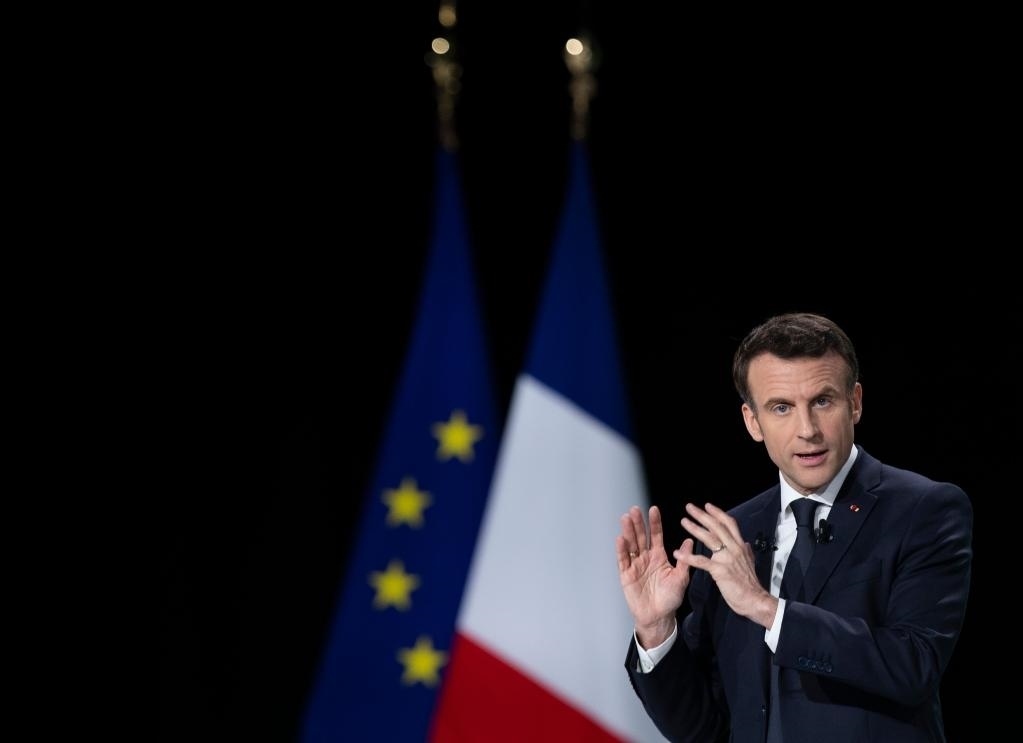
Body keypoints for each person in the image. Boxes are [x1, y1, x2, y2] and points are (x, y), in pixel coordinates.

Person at [615, 312, 972, 743]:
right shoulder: (732, 535)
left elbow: (913, 665)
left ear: (855, 402)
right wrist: (656, 629)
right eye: (781, 407)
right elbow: (702, 729)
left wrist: (766, 608)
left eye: (822, 401)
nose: (807, 430)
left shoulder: (923, 510)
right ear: (752, 421)